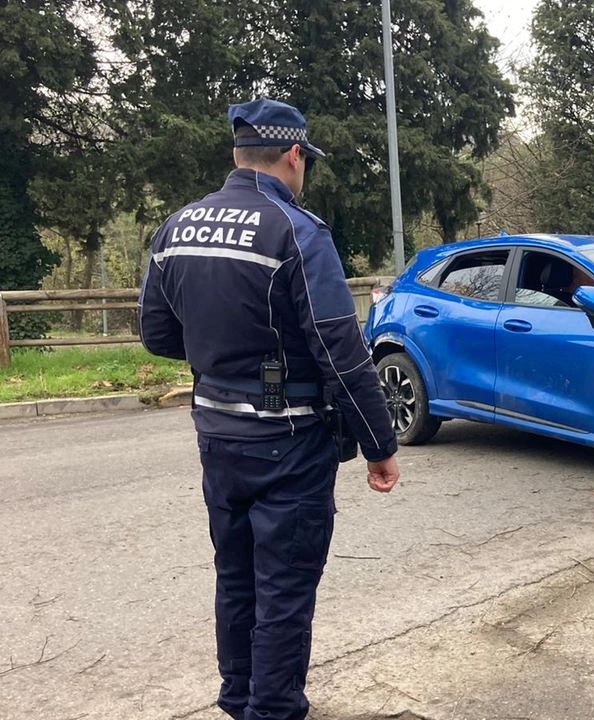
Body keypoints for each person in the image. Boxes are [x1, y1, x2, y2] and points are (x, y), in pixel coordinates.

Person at [138, 98, 400, 720]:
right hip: (289, 438)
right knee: (282, 588)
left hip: (217, 432)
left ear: (237, 153)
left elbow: (155, 334)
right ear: (292, 154)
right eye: (305, 158)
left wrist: (220, 361)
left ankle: (239, 698)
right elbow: (340, 349)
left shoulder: (176, 227)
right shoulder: (296, 231)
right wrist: (379, 444)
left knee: (235, 575)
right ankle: (273, 708)